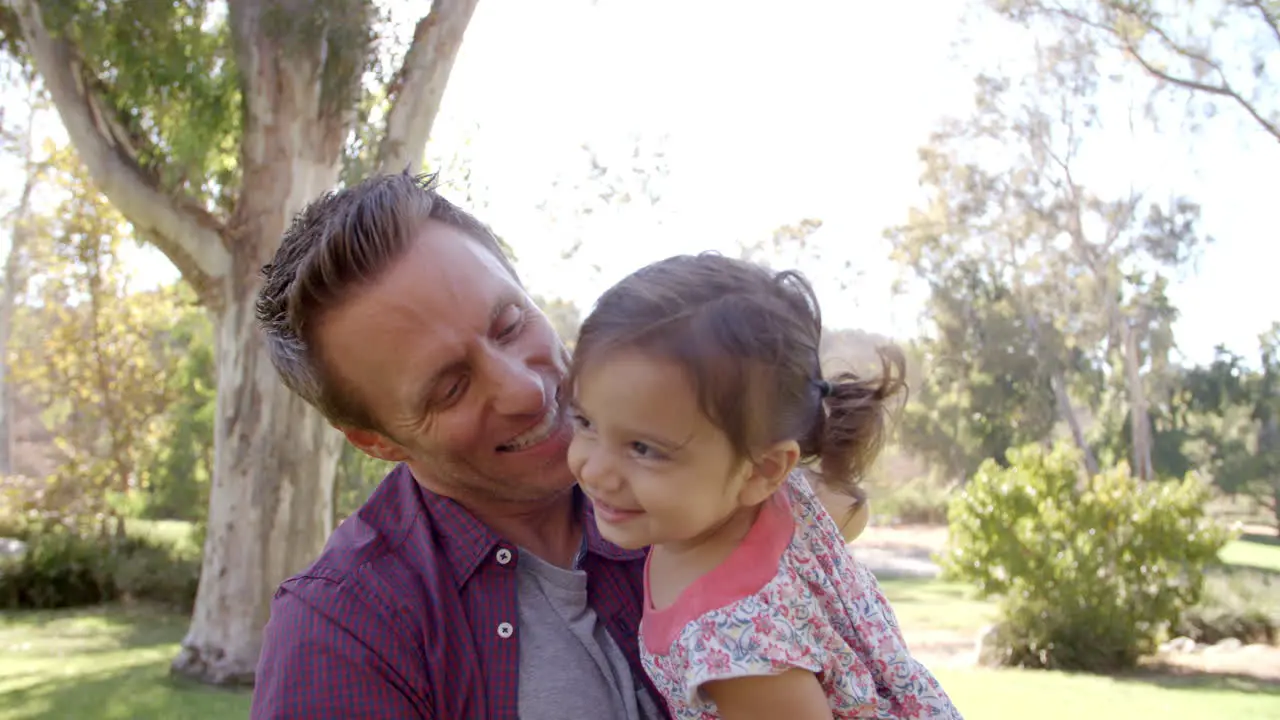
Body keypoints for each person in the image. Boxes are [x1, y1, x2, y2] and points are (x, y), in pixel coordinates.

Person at [248, 172, 867, 719]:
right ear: (374, 441)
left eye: (510, 324)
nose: (524, 389)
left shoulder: (692, 478)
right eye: (451, 387)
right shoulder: (342, 635)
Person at [565, 253, 963, 719]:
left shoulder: (734, 645)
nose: (594, 470)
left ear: (761, 471)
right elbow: (850, 509)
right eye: (585, 421)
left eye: (643, 448)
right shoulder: (784, 498)